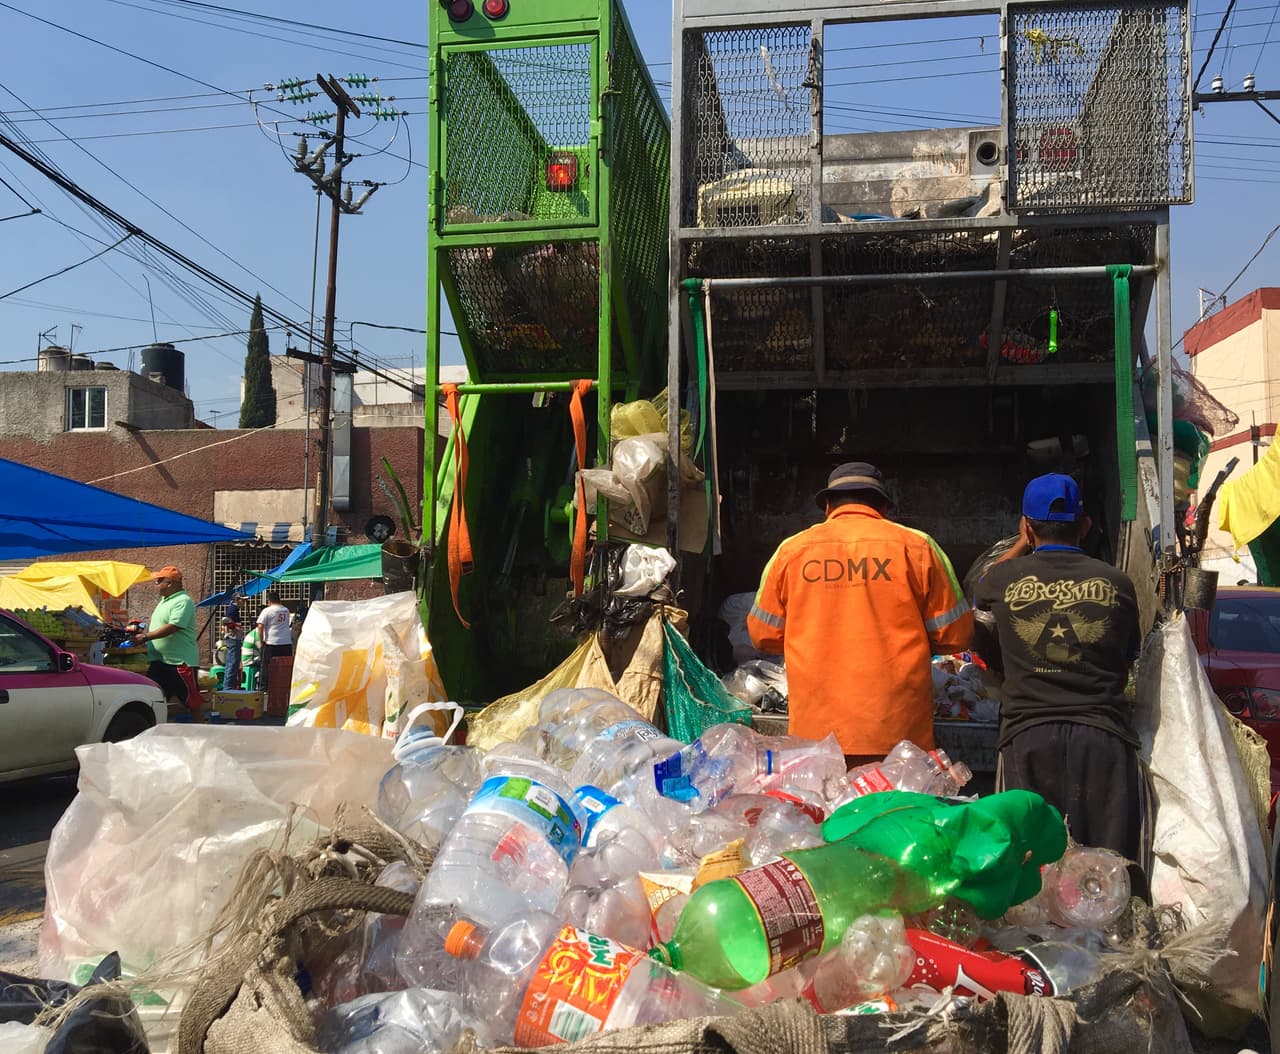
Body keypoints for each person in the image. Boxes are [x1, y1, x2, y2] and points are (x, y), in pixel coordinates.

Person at [971, 473, 1148, 889]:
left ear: (1027, 526)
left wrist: (1020, 545)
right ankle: (1111, 948)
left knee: (1031, 868)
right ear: (1085, 525)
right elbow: (1128, 661)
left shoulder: (1000, 581)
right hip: (1104, 740)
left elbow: (981, 638)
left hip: (1027, 737)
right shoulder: (1118, 584)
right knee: (1108, 872)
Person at [747, 462, 974, 764]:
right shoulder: (918, 547)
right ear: (883, 505)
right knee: (894, 812)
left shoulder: (791, 551)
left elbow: (763, 635)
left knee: (827, 813)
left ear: (827, 506)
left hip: (817, 735)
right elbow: (956, 636)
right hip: (898, 735)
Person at [133, 565, 204, 723]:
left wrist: (146, 637)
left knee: (192, 702)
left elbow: (174, 626)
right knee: (153, 698)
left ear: (170, 583)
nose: (156, 584)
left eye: (159, 581)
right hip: (159, 661)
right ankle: (156, 729)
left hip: (179, 663)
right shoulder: (164, 601)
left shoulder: (183, 601)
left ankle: (203, 731)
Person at [256, 590, 293, 693]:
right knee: (286, 666)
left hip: (272, 642)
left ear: (269, 601)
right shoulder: (286, 610)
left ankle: (264, 688)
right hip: (286, 642)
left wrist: (261, 640)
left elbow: (260, 626)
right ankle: (286, 686)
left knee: (267, 665)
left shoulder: (267, 611)